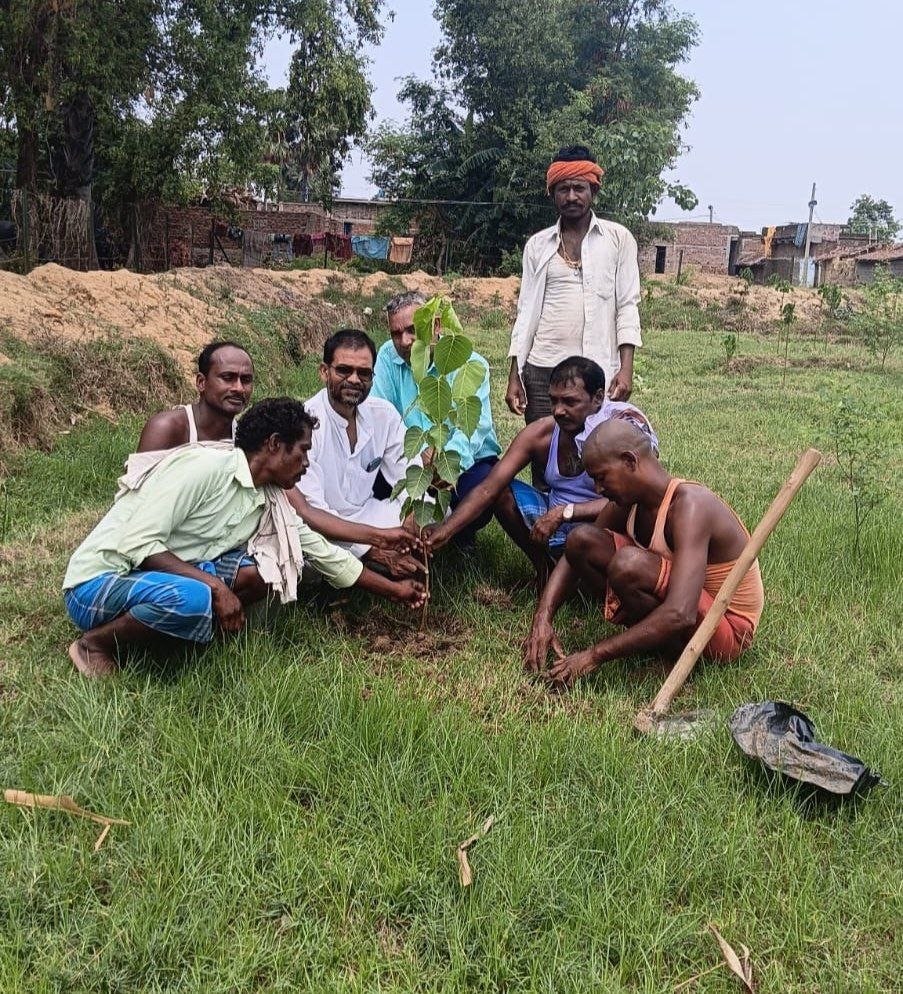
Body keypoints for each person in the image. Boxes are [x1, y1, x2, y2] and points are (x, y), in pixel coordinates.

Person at [63, 397, 426, 678]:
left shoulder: (267, 495)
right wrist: (216, 588)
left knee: (267, 569)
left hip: (157, 575)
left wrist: (395, 590)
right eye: (302, 452)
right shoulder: (204, 468)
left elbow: (323, 553)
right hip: (101, 580)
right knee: (196, 595)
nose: (306, 464)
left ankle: (178, 642)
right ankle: (94, 645)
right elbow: (138, 545)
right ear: (273, 445)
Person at [523, 419, 764, 687]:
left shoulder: (691, 506)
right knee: (581, 538)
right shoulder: (629, 501)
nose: (598, 490)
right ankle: (653, 642)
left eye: (601, 478)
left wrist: (594, 655)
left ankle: (670, 656)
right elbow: (574, 552)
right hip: (688, 610)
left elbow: (680, 612)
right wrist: (542, 617)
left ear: (629, 461)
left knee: (629, 565)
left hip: (726, 628)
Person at [426, 357, 656, 583]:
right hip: (554, 518)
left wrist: (567, 512)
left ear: (597, 398)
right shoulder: (542, 433)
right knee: (499, 490)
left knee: (601, 549)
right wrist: (446, 531)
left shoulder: (623, 428)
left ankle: (579, 577)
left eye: (569, 402)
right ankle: (544, 569)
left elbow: (634, 499)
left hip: (607, 522)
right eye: (553, 401)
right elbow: (488, 489)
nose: (558, 411)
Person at [505, 145, 642, 484]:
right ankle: (542, 528)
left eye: (579, 187)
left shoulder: (617, 239)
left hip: (595, 369)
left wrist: (625, 368)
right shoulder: (538, 245)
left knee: (597, 453)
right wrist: (514, 373)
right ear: (553, 193)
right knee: (545, 454)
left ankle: (587, 528)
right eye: (563, 189)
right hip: (542, 368)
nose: (571, 196)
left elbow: (627, 304)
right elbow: (525, 312)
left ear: (593, 190)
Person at [372, 290, 501, 549]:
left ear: (436, 325)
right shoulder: (388, 356)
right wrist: (420, 454)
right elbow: (380, 414)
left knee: (482, 491)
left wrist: (447, 463)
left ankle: (460, 532)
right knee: (372, 482)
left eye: (412, 330)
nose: (405, 341)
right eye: (396, 333)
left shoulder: (468, 363)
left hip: (463, 461)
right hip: (408, 456)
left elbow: (475, 428)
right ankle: (402, 536)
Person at [296, 329, 422, 576]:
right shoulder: (306, 422)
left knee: (432, 513)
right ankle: (367, 563)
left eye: (363, 373)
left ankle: (379, 557)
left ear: (373, 377)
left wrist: (412, 518)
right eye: (344, 370)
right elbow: (311, 511)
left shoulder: (383, 414)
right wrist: (372, 550)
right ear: (324, 371)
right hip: (321, 526)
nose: (354, 380)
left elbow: (410, 475)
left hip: (366, 516)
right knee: (308, 546)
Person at [137, 340, 254, 451]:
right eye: (228, 378)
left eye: (246, 380)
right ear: (201, 382)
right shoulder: (165, 428)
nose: (239, 388)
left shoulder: (246, 440)